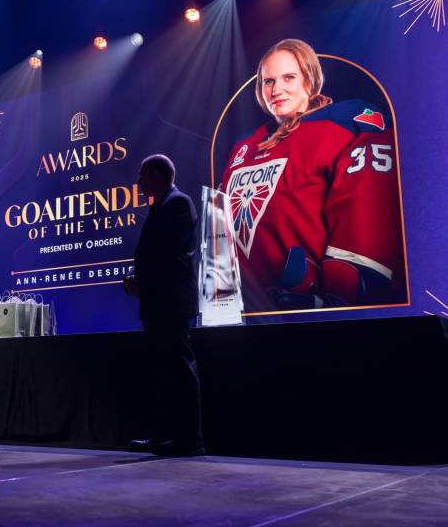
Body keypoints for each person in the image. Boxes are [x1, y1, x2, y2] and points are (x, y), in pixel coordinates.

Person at [220, 39, 405, 312]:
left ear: (310, 79)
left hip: (310, 312)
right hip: (247, 310)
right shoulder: (244, 146)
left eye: (288, 77)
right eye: (268, 82)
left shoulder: (342, 122)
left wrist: (340, 286)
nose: (276, 89)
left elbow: (364, 206)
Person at [124, 154, 204, 456]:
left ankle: (189, 441)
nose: (138, 182)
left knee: (179, 371)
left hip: (170, 303)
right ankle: (164, 437)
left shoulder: (178, 203)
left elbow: (170, 255)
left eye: (143, 175)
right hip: (157, 303)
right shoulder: (161, 206)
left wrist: (144, 284)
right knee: (163, 372)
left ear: (159, 175)